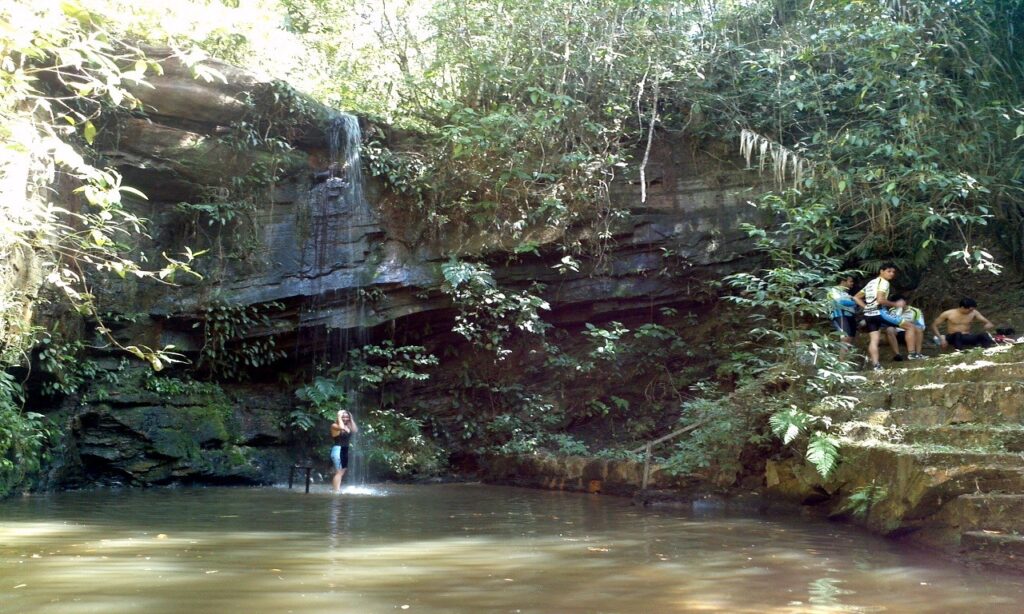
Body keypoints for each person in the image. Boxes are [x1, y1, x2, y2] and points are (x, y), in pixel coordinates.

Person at [853, 263, 900, 370]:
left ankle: (876, 365)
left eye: (893, 272)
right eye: (889, 271)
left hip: (869, 314)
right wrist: (896, 304)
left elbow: (856, 297)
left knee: (874, 339)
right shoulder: (884, 282)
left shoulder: (871, 283)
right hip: (879, 312)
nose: (891, 274)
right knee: (910, 327)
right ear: (881, 271)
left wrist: (866, 307)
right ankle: (913, 354)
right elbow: (880, 300)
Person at [883, 295, 927, 360]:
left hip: (912, 333)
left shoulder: (915, 311)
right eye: (896, 302)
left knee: (918, 329)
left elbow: (922, 326)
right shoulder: (892, 311)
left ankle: (917, 354)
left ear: (905, 301)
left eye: (900, 302)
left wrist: (911, 326)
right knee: (889, 329)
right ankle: (897, 355)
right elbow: (888, 323)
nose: (899, 304)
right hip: (897, 332)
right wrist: (897, 314)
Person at [330, 410, 358, 492]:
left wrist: (351, 419)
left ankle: (336, 489)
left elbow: (355, 430)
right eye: (343, 417)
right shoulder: (334, 425)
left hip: (345, 450)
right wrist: (339, 416)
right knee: (339, 472)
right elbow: (341, 428)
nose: (345, 418)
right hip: (338, 450)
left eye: (347, 417)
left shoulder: (348, 426)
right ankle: (336, 491)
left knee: (342, 472)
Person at [827, 275, 858, 348]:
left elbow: (854, 306)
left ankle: (845, 358)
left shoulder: (846, 293)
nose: (852, 283)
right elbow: (840, 302)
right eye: (850, 281)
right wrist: (855, 302)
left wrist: (854, 302)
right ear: (843, 282)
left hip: (850, 316)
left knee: (850, 339)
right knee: (845, 338)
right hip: (839, 315)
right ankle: (841, 359)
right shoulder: (833, 290)